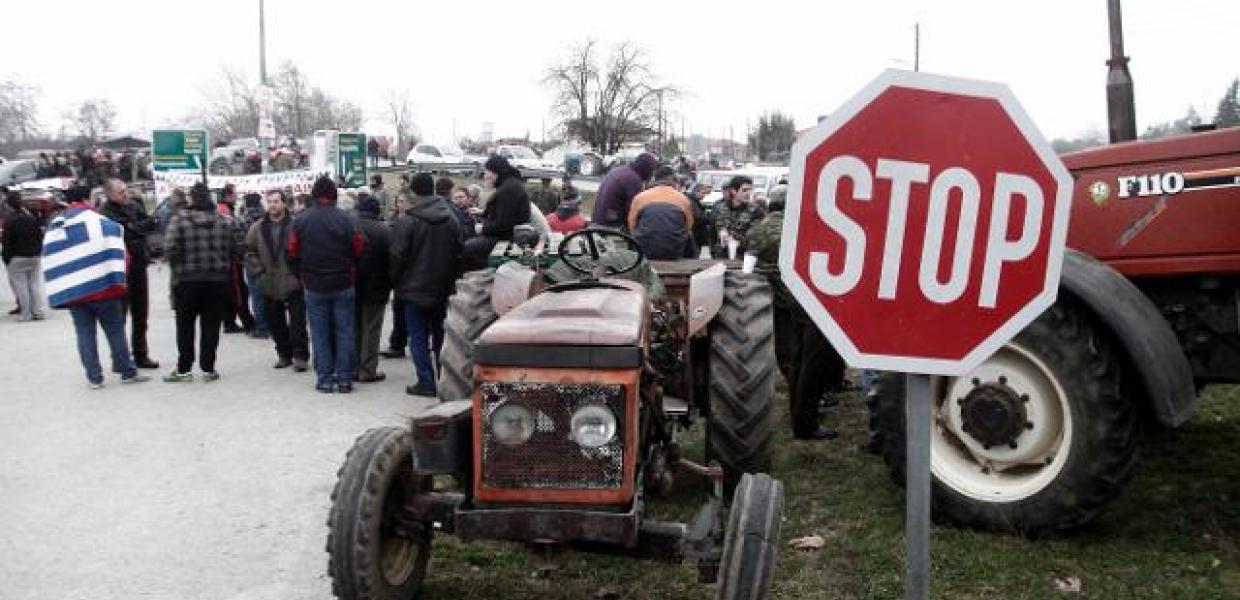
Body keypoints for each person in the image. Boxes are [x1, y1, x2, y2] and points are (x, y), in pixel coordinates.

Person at [746, 192, 841, 440]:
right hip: (814, 296)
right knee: (813, 362)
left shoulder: (781, 226)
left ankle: (800, 418)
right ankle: (806, 422)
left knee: (799, 360)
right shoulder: (805, 225)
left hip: (794, 296)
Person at [41, 186, 150, 388]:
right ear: (86, 199)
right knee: (115, 330)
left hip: (75, 291)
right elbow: (120, 251)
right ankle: (127, 371)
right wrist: (118, 275)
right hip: (103, 289)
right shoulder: (99, 222)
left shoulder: (56, 226)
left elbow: (50, 257)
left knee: (84, 333)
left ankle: (94, 378)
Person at [288, 176, 366, 394]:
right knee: (345, 331)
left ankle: (324, 379)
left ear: (314, 195)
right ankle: (344, 379)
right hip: (343, 282)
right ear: (334, 195)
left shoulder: (301, 220)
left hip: (313, 284)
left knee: (319, 333)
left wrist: (301, 274)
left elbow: (291, 252)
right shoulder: (348, 220)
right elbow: (359, 249)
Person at [390, 173, 463, 397]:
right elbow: (459, 252)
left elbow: (397, 256)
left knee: (418, 338)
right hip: (442, 287)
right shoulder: (451, 219)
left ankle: (426, 382)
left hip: (413, 290)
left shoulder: (408, 221)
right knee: (441, 336)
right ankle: (444, 379)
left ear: (412, 192)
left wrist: (395, 282)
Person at [162, 182, 238, 383]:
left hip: (186, 281)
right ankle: (208, 368)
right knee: (211, 325)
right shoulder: (223, 221)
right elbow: (234, 248)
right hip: (216, 281)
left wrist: (180, 264)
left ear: (192, 198)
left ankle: (184, 368)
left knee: (185, 326)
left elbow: (168, 248)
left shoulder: (179, 220)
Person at [98, 178, 160, 369]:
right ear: (109, 194)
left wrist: (136, 228)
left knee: (141, 313)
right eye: (120, 192)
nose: (125, 195)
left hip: (139, 264)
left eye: (125, 191)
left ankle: (141, 354)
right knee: (119, 315)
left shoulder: (133, 206)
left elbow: (150, 223)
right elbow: (122, 231)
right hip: (120, 269)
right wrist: (135, 228)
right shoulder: (105, 213)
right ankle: (119, 358)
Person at [245, 190, 309, 372]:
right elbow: (249, 252)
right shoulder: (257, 227)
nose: (272, 205)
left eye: (276, 201)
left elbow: (304, 249)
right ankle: (284, 354)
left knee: (297, 323)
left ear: (284, 204)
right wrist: (259, 272)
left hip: (292, 281)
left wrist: (299, 272)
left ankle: (300, 356)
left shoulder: (296, 224)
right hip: (269, 281)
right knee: (275, 322)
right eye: (270, 201)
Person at [352, 194, 391, 384]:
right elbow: (393, 259)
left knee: (354, 327)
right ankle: (367, 370)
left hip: (352, 285)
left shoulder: (350, 226)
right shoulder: (385, 231)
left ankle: (352, 367)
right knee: (371, 328)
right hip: (377, 287)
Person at [463, 155, 530, 261]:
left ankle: (474, 274)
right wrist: (482, 212)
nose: (485, 175)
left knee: (465, 247)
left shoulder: (508, 190)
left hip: (508, 238)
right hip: (513, 235)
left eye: (486, 171)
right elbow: (504, 213)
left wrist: (482, 228)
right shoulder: (511, 183)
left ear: (495, 171)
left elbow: (504, 225)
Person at [628, 166, 695, 260]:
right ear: (673, 180)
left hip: (644, 251)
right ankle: (690, 263)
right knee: (690, 237)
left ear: (654, 179)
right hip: (673, 252)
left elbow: (632, 227)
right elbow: (688, 228)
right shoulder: (683, 199)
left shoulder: (639, 197)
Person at [216, 184, 255, 334]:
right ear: (228, 196)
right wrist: (240, 253)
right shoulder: (224, 212)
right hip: (230, 259)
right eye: (235, 194)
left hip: (224, 258)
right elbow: (234, 235)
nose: (237, 197)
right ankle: (246, 321)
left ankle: (229, 322)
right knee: (238, 291)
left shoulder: (223, 209)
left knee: (230, 291)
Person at [3, 190, 45, 321]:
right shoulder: (32, 219)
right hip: (34, 256)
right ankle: (38, 312)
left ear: (9, 205)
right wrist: (38, 251)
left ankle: (25, 314)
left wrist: (6, 258)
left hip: (17, 257)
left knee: (21, 286)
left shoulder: (10, 221)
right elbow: (40, 237)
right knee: (34, 284)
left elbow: (7, 242)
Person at [591, 152, 658, 228]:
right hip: (610, 227)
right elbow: (634, 211)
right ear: (647, 169)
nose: (651, 175)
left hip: (597, 221)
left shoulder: (619, 170)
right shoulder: (634, 180)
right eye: (652, 171)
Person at [709, 175, 765, 258]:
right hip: (721, 256)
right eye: (744, 190)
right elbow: (712, 233)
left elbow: (759, 238)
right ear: (733, 191)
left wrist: (738, 240)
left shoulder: (756, 211)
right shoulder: (718, 208)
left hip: (744, 257)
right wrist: (714, 251)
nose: (748, 193)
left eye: (750, 190)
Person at [241, 193, 270, 339]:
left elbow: (243, 240)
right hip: (268, 259)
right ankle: (270, 324)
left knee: (256, 295)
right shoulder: (267, 216)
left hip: (252, 260)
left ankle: (262, 327)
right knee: (268, 294)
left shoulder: (245, 218)